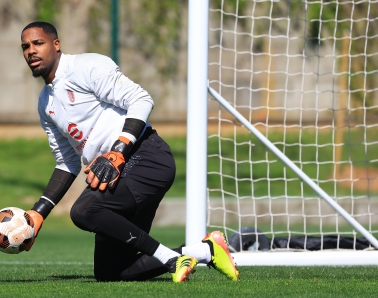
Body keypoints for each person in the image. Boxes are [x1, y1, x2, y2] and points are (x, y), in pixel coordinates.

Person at [19, 21, 239, 282]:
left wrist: (118, 151)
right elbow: (67, 163)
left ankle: (171, 260)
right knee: (110, 271)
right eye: (25, 47)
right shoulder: (46, 103)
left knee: (83, 210)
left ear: (56, 45)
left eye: (38, 43)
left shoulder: (86, 66)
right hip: (113, 174)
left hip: (147, 158)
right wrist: (38, 212)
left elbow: (141, 99)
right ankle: (205, 250)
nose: (31, 51)